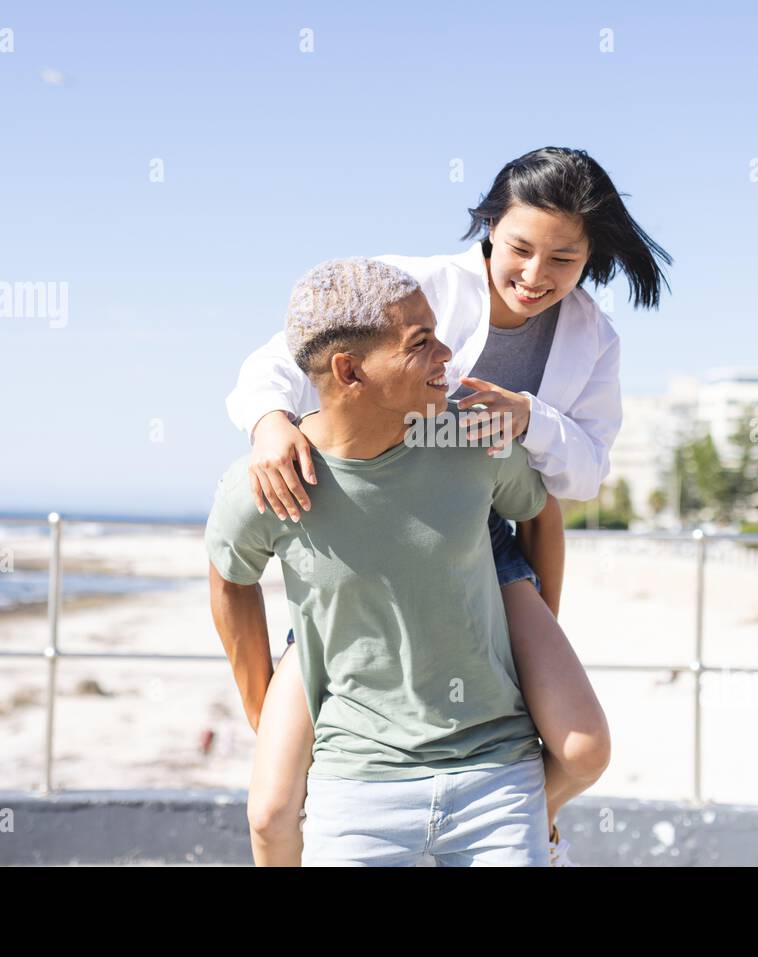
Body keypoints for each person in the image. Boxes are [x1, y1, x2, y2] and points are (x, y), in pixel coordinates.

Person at [228, 147, 670, 864]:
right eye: (521, 248)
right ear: (490, 226)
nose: (535, 276)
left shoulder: (594, 336)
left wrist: (527, 414)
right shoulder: (418, 286)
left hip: (494, 543)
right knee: (277, 801)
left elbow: (585, 472)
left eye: (563, 258)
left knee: (583, 746)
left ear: (591, 257)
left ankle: (530, 816)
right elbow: (279, 360)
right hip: (370, 534)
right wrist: (271, 424)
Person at [208, 258, 555, 865]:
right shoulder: (272, 481)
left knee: (588, 748)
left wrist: (533, 636)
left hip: (496, 767)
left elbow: (536, 512)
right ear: (350, 371)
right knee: (267, 818)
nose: (449, 352)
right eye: (421, 343)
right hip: (354, 779)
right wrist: (263, 712)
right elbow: (231, 578)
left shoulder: (469, 440)